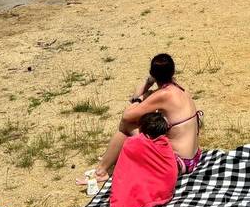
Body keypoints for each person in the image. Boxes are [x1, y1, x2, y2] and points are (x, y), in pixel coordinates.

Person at [80, 53, 203, 184]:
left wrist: (141, 95)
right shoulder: (179, 89)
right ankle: (106, 163)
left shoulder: (163, 94)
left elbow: (127, 115)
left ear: (153, 74)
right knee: (139, 125)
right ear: (172, 71)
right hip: (193, 157)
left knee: (127, 125)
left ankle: (101, 170)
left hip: (177, 163)